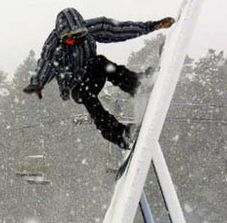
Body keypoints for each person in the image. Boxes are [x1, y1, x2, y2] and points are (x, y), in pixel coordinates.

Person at [23, 8, 175, 149]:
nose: (75, 40)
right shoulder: (54, 44)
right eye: (69, 39)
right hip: (73, 87)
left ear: (84, 29)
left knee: (100, 62)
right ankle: (118, 133)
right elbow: (46, 62)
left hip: (92, 74)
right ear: (62, 37)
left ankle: (137, 85)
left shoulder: (91, 28)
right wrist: (37, 82)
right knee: (86, 94)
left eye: (79, 35)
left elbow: (118, 30)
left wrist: (152, 26)